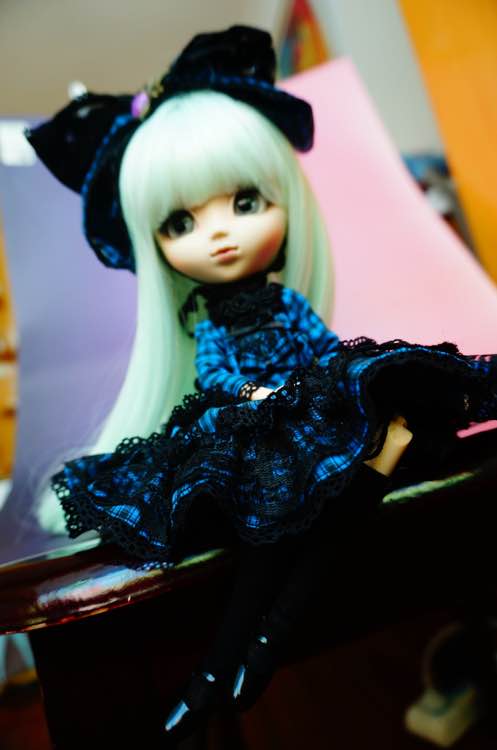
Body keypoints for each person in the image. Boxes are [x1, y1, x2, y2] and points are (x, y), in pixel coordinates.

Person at [27, 25, 497, 745]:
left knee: (368, 468)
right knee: (267, 530)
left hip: (309, 415)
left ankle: (252, 653)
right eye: (181, 221)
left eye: (244, 203)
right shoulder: (213, 322)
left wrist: (347, 391)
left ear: (283, 200)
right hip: (258, 428)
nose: (220, 234)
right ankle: (224, 667)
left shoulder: (286, 303)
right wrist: (254, 400)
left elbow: (326, 347)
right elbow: (215, 372)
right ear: (153, 245)